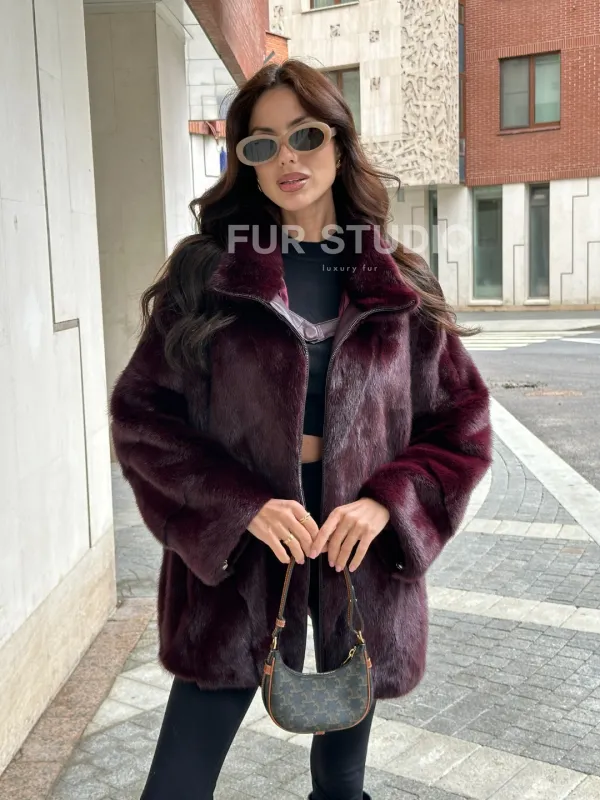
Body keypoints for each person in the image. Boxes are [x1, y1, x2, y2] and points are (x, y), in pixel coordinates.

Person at [110, 59, 492, 800]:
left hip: (360, 561)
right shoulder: (210, 275)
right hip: (238, 564)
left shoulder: (396, 282)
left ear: (339, 145)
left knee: (341, 784)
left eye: (306, 135)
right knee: (178, 783)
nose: (288, 157)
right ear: (246, 165)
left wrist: (387, 503)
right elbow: (143, 418)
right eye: (263, 144)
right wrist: (239, 506)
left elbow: (462, 422)